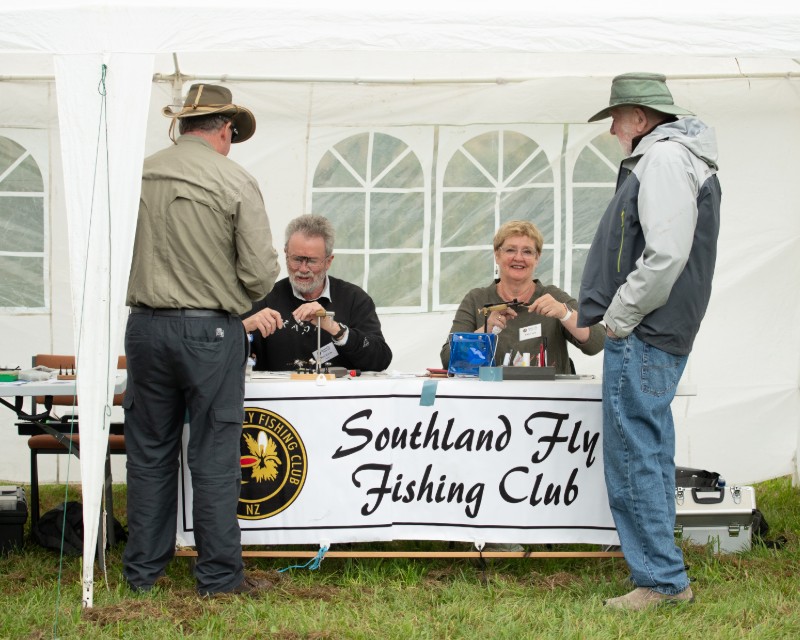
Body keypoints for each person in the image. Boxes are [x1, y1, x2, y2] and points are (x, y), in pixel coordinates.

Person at [123, 84, 280, 596]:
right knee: (213, 455)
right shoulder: (234, 178)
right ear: (225, 129)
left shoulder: (139, 171)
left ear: (183, 125)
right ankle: (217, 576)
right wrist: (224, 294)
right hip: (210, 330)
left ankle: (142, 574)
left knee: (148, 450)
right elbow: (259, 276)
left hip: (145, 325)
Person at [578, 72, 721, 610]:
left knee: (635, 453)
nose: (614, 130)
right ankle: (664, 575)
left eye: (617, 119)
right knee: (650, 450)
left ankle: (661, 582)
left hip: (645, 327)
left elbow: (665, 254)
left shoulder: (662, 158)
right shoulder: (680, 157)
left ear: (640, 118)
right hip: (661, 327)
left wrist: (618, 316)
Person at [440, 220, 604, 374]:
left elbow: (597, 343)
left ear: (537, 258)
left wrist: (565, 313)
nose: (518, 258)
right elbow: (448, 360)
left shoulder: (553, 297)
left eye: (527, 251)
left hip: (548, 401)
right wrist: (485, 331)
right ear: (497, 255)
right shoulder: (477, 299)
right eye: (510, 250)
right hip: (492, 399)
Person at [243, 215, 392, 372]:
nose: (303, 269)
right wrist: (243, 328)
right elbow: (225, 357)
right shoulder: (264, 298)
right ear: (286, 254)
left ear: (329, 261)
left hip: (338, 395)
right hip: (281, 395)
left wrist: (336, 329)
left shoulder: (354, 299)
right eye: (297, 259)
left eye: (312, 261)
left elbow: (381, 360)